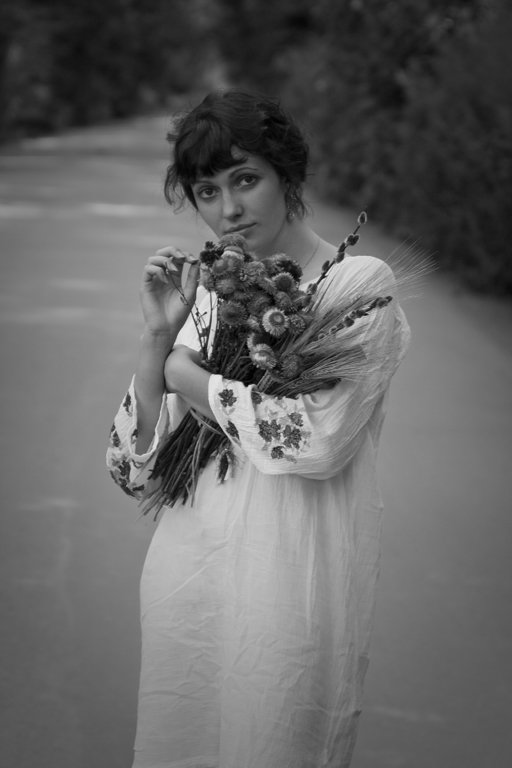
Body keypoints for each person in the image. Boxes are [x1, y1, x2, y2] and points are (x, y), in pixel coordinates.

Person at [106, 89, 410, 768]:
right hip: (190, 578)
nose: (228, 210)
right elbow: (136, 471)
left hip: (291, 581)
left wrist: (189, 376)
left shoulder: (357, 286)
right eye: (206, 191)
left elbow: (316, 440)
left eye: (246, 180)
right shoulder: (211, 295)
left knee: (277, 740)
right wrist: (157, 342)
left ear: (287, 174)